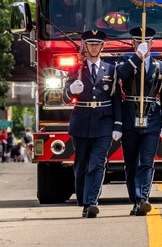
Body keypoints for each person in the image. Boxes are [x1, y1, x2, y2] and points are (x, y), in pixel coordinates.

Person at [65, 29, 122, 219]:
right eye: (90, 44)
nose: (94, 47)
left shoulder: (111, 70)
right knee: (81, 165)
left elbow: (116, 100)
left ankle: (91, 202)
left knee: (97, 164)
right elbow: (64, 98)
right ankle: (83, 199)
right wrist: (71, 90)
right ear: (85, 47)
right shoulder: (76, 70)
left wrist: (117, 124)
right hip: (81, 121)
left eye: (97, 44)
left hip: (104, 122)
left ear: (102, 47)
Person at [116, 27, 162, 216]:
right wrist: (136, 57)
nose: (144, 46)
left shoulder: (160, 68)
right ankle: (135, 199)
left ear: (152, 44)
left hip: (152, 118)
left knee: (146, 162)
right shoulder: (125, 62)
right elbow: (122, 76)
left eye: (146, 43)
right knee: (131, 162)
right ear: (132, 44)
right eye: (139, 43)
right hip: (130, 117)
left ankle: (142, 198)